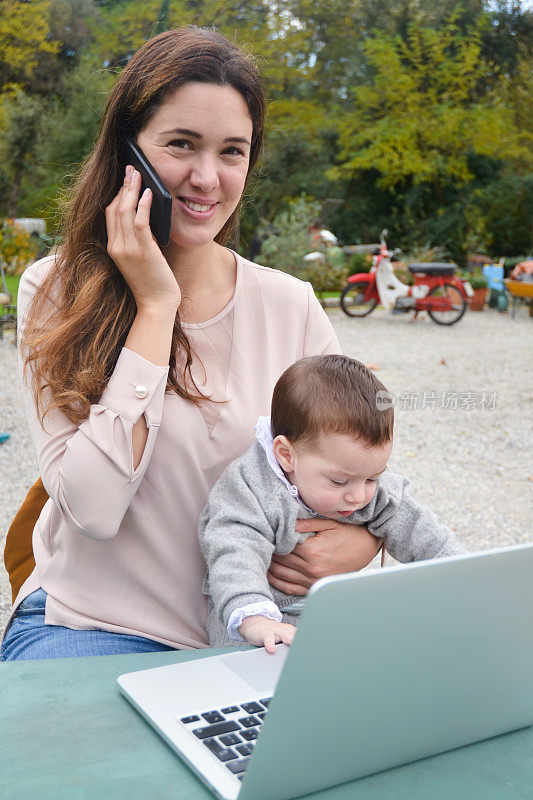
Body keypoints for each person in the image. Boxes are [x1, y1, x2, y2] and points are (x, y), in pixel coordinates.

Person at [1, 27, 381, 661]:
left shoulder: (292, 307)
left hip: (252, 631)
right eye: (182, 144)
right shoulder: (56, 290)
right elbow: (93, 509)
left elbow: (354, 472)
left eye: (232, 151)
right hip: (94, 627)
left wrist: (362, 542)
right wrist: (155, 306)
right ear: (128, 151)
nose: (207, 177)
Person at [199, 355, 466, 652]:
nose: (359, 496)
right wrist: (256, 619)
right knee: (251, 665)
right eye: (339, 482)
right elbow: (234, 549)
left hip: (331, 611)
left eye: (373, 478)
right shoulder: (251, 486)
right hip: (262, 621)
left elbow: (417, 526)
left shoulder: (360, 480)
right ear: (287, 455)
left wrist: (460, 574)